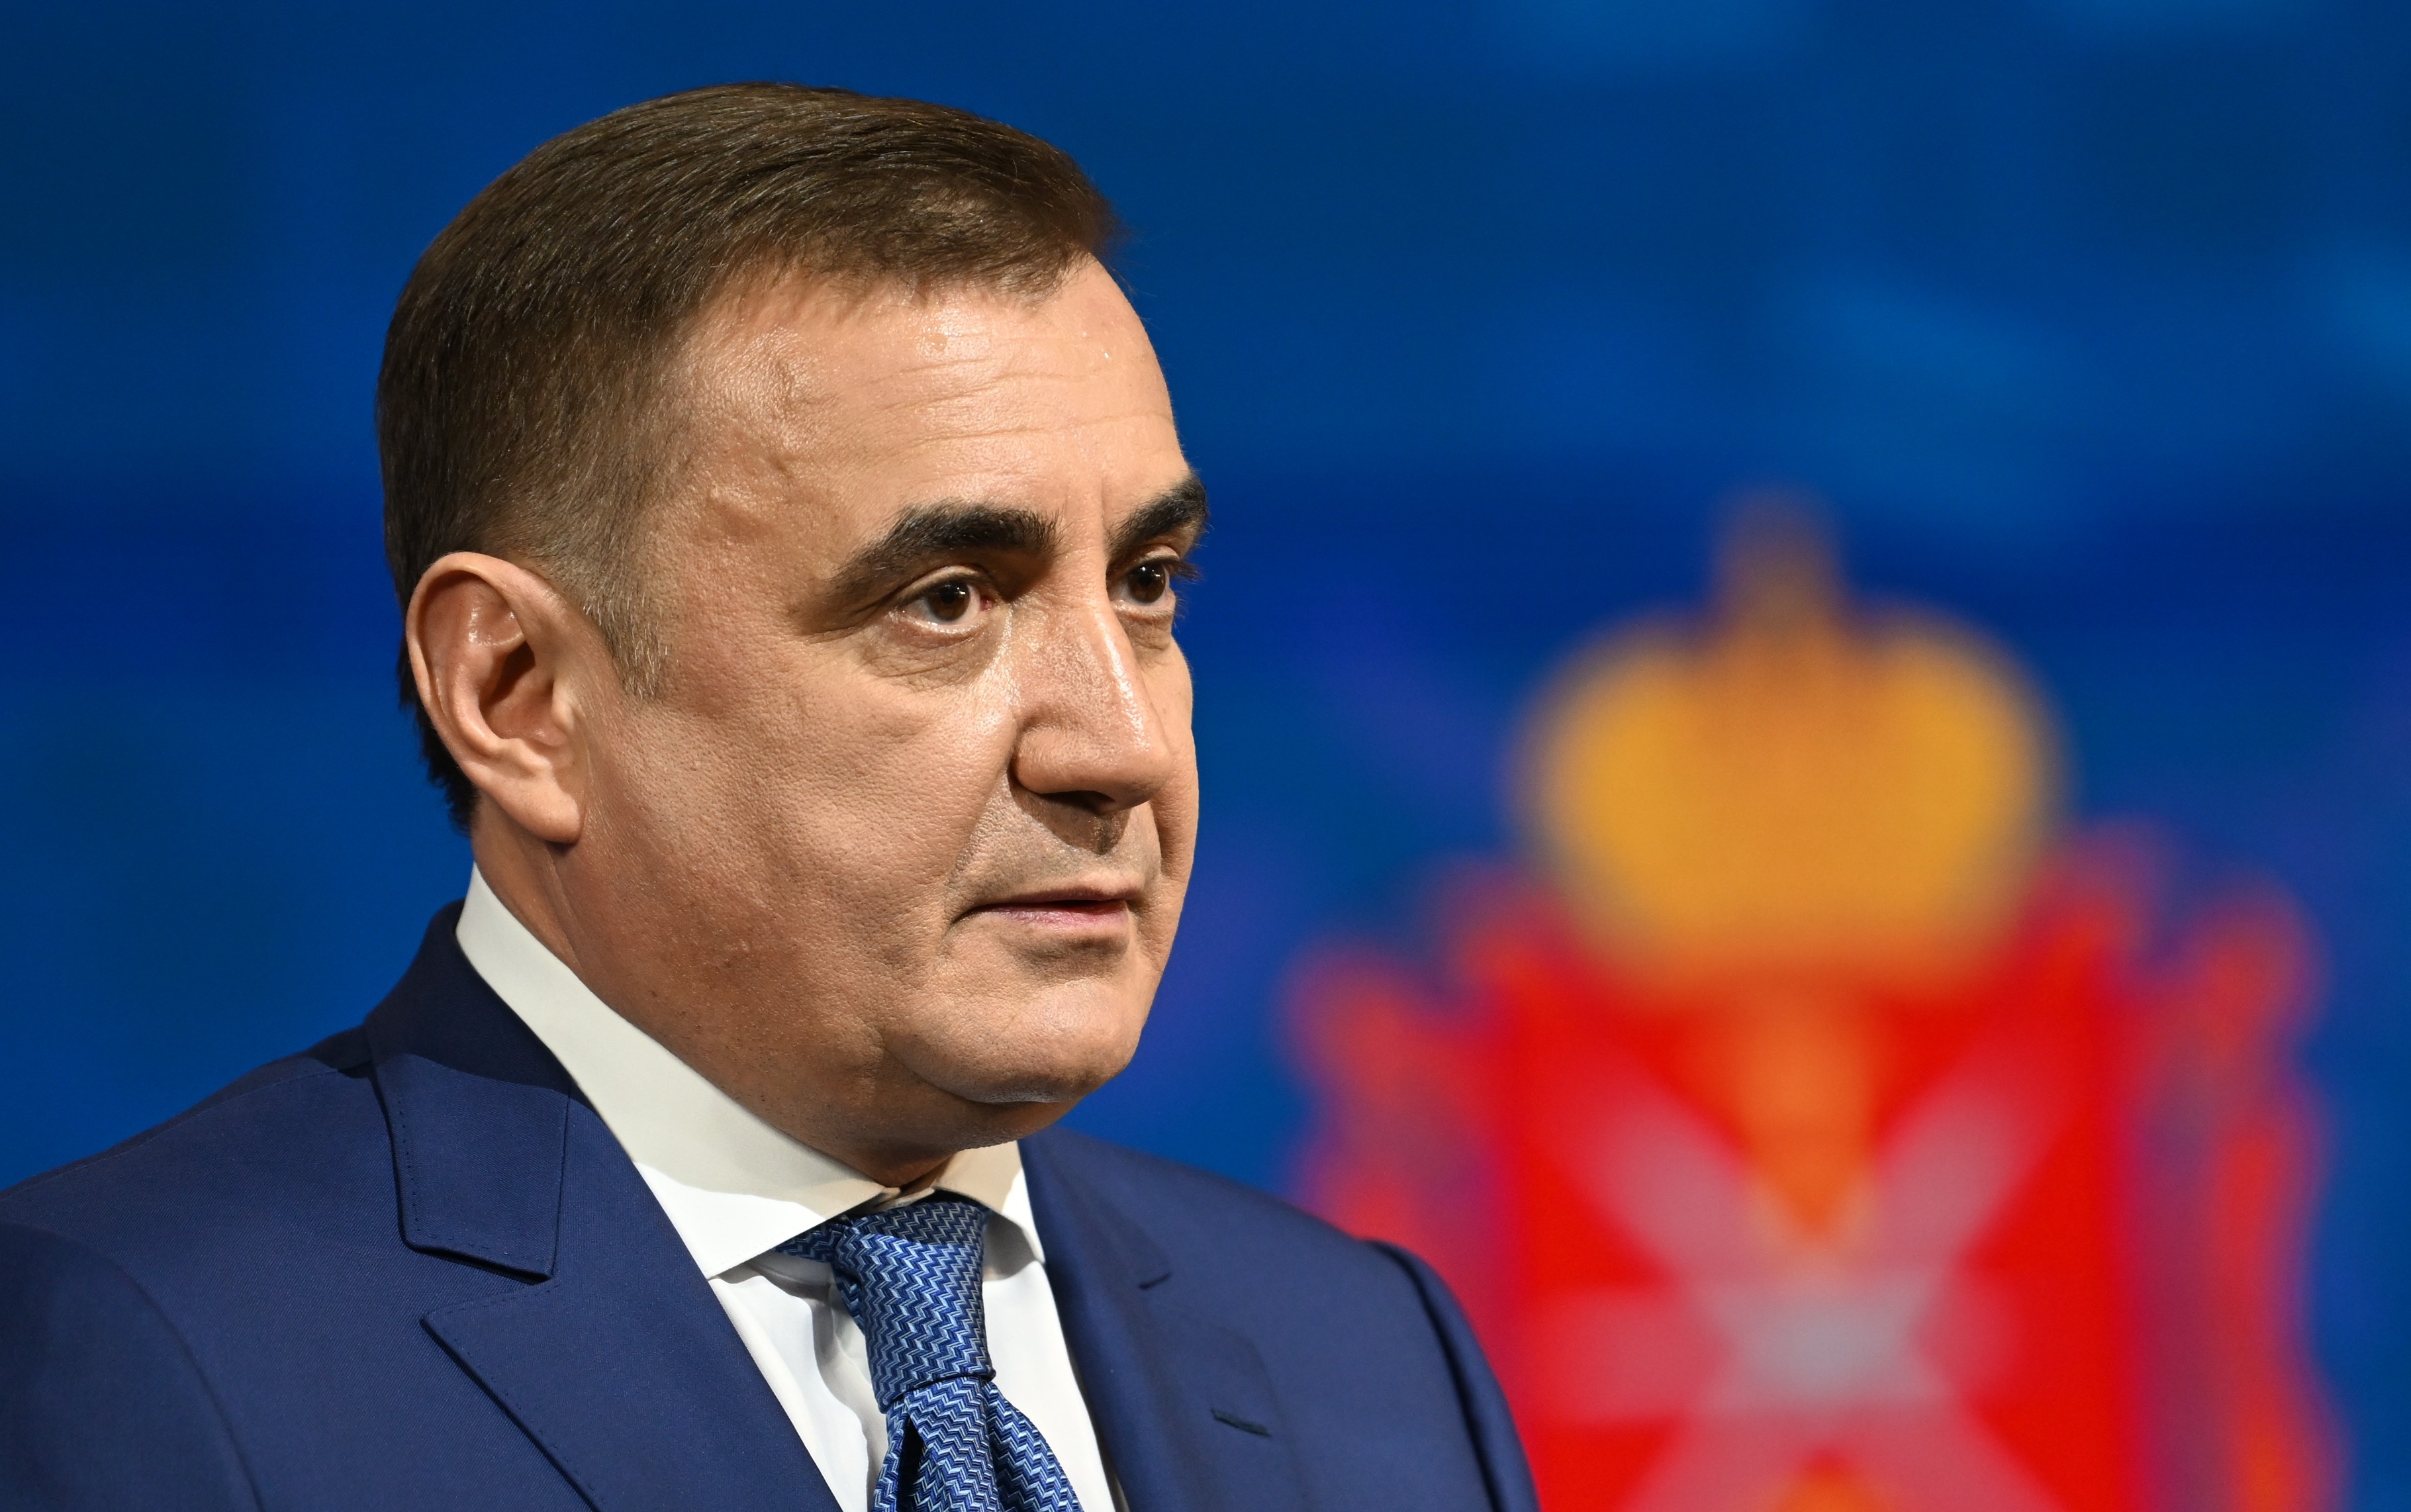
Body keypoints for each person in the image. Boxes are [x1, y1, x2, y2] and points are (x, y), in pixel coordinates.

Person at [0, 84, 1536, 1512]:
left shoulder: (1368, 1354)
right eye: (947, 599)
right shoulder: (139, 1351)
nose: (1124, 745)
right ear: (517, 692)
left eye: (1147, 581)